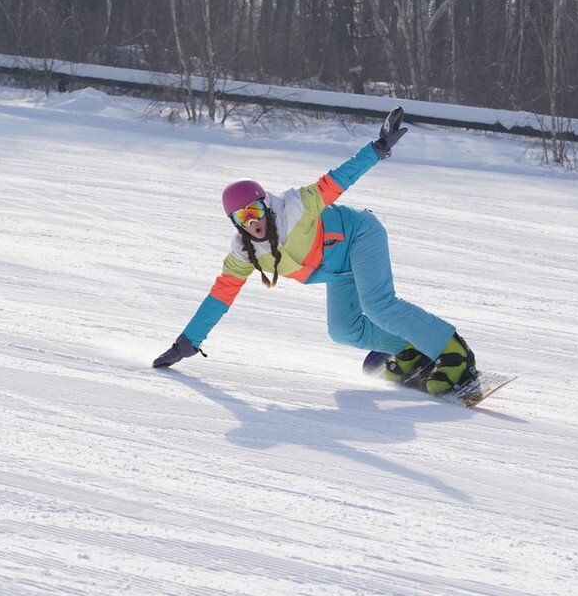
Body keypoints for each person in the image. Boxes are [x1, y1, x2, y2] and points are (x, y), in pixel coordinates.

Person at [153, 107, 477, 395]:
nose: (251, 222)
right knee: (343, 330)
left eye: (254, 211)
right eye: (242, 217)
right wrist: (187, 342)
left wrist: (377, 149)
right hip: (337, 270)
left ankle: (454, 352)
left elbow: (336, 179)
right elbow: (220, 296)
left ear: (265, 204)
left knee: (378, 305)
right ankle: (412, 348)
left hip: (359, 235)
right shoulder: (244, 253)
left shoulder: (296, 207)